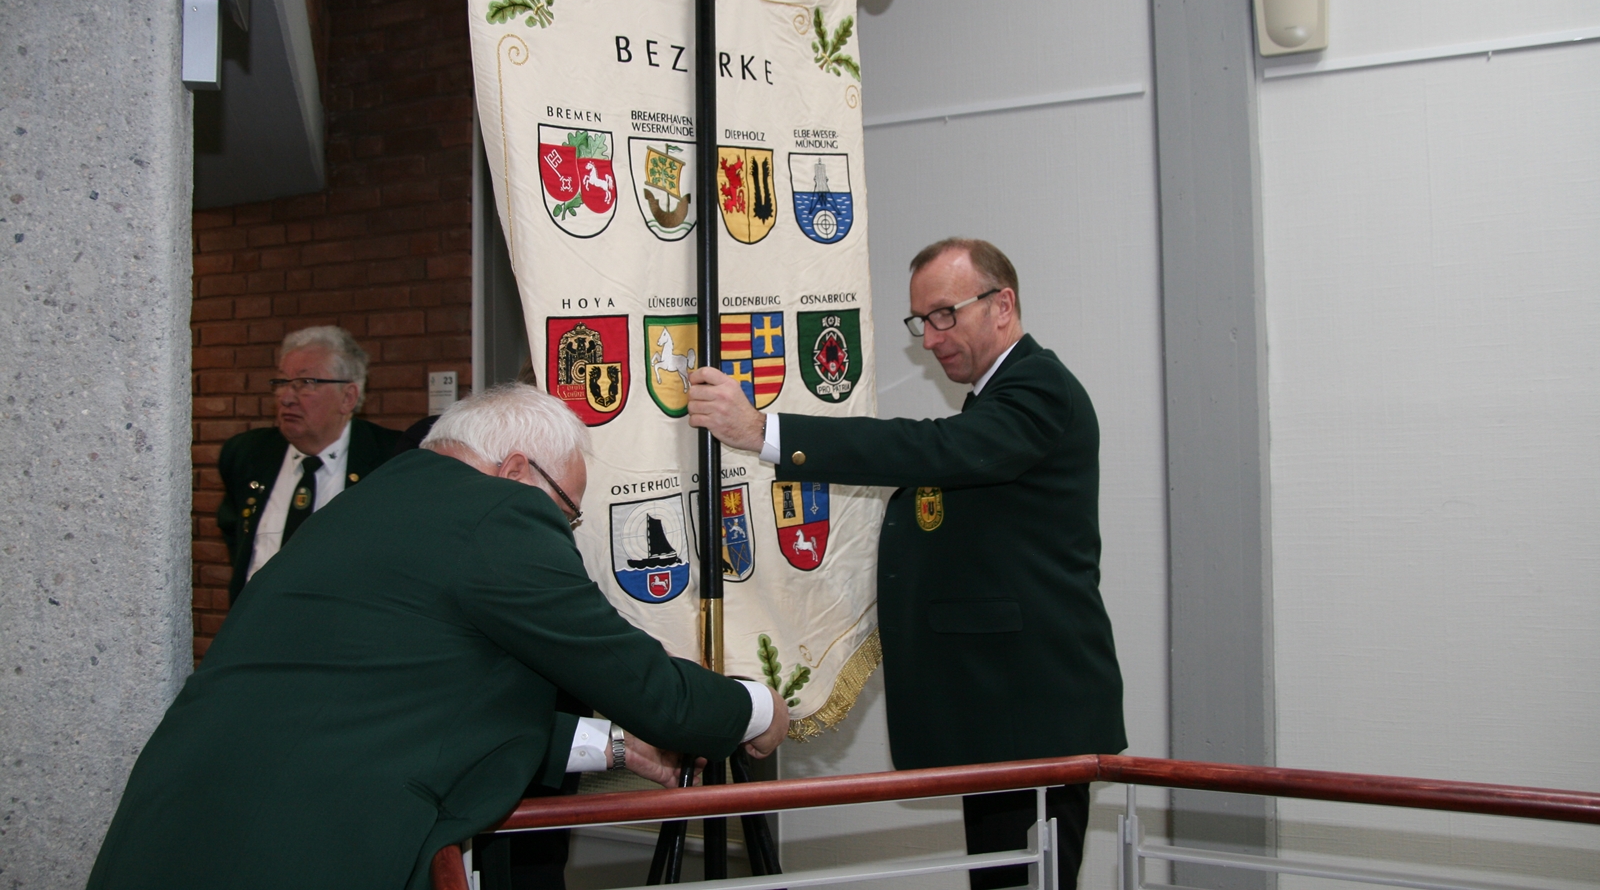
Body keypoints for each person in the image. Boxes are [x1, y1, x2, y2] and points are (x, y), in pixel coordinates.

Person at [89, 384, 788, 890]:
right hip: (304, 846)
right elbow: (651, 689)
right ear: (516, 471)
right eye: (567, 512)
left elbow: (412, 695)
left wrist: (613, 745)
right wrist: (756, 708)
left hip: (172, 823)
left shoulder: (366, 504)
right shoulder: (496, 514)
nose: (564, 531)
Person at [688, 237, 1125, 890]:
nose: (931, 338)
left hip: (1032, 712)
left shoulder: (1039, 388)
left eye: (945, 314)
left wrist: (766, 432)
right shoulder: (998, 396)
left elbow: (934, 449)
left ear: (1003, 305)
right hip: (1001, 711)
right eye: (922, 321)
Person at [216, 325, 403, 604]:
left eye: (306, 383)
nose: (286, 397)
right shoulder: (247, 454)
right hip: (258, 623)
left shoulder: (392, 461)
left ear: (348, 397)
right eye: (281, 382)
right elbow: (237, 537)